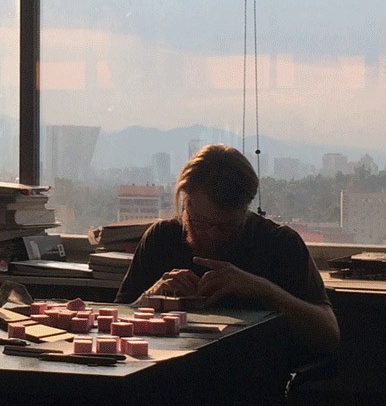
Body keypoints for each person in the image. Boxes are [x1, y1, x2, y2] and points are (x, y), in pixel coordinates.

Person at [115, 143, 340, 365]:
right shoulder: (161, 239)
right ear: (186, 203)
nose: (212, 235)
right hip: (165, 372)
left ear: (246, 209)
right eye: (201, 222)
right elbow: (115, 321)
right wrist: (149, 297)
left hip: (250, 373)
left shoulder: (280, 244)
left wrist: (266, 290)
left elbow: (329, 335)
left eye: (226, 226)